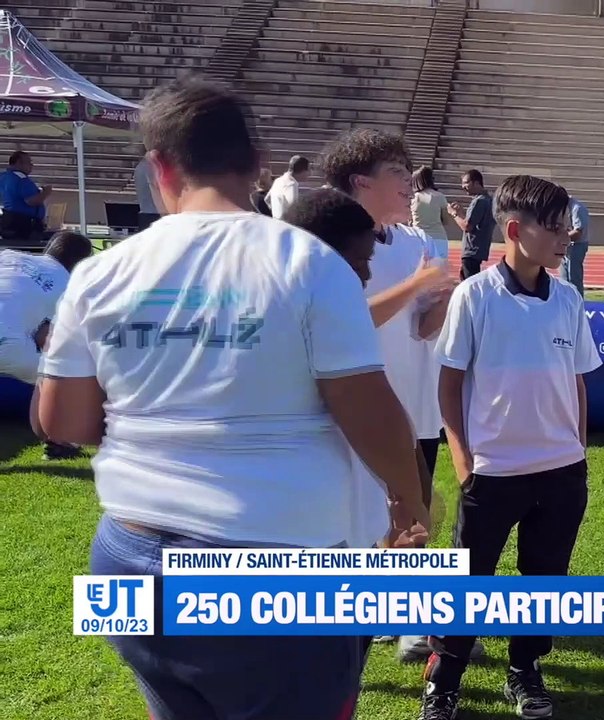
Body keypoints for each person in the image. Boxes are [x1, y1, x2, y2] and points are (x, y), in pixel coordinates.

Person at [36, 77, 433, 720]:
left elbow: (63, 420)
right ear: (256, 165)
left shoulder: (102, 272)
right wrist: (409, 500)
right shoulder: (305, 262)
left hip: (130, 559)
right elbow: (368, 407)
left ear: (157, 168)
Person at [420, 175, 601, 720]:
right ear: (517, 230)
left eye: (567, 223)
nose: (566, 234)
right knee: (471, 583)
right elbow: (449, 383)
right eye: (554, 225)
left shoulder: (567, 299)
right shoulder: (476, 295)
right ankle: (445, 678)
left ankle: (525, 669)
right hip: (492, 473)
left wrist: (579, 449)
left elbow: (578, 382)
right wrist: (462, 459)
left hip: (561, 472)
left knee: (543, 582)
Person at [319, 129, 453, 639]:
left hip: (414, 407)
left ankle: (409, 620)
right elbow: (342, 320)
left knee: (412, 514)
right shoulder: (323, 244)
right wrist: (416, 285)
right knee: (352, 522)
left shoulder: (417, 242)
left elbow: (422, 328)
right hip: (353, 410)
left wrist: (442, 296)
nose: (409, 182)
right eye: (397, 172)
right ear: (360, 182)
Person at [1, 230, 94, 460]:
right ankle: (59, 441)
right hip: (8, 346)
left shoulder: (8, 256)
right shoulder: (69, 285)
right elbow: (50, 339)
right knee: (55, 378)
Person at [449, 169, 495, 280]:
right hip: (478, 250)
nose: (463, 186)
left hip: (472, 251)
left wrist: (454, 214)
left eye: (466, 183)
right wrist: (461, 213)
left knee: (470, 285)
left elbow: (467, 226)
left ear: (476, 183)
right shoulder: (488, 200)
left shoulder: (479, 201)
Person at [0, 151, 52, 241]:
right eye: (29, 162)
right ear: (19, 163)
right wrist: (46, 192)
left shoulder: (4, 177)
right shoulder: (21, 179)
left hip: (9, 221)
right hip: (24, 224)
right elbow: (31, 201)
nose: (32, 165)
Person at [412, 166, 450, 243]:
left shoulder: (413, 198)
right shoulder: (439, 196)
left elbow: (409, 220)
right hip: (439, 237)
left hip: (419, 237)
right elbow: (445, 220)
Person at [561, 195, 589, 295]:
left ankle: (577, 306)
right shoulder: (563, 208)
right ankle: (566, 305)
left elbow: (578, 233)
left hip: (576, 245)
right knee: (564, 279)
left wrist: (559, 237)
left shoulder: (576, 208)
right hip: (566, 245)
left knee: (574, 279)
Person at [134, 154, 163, 231]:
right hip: (155, 214)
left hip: (145, 214)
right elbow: (154, 187)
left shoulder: (140, 167)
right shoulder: (152, 167)